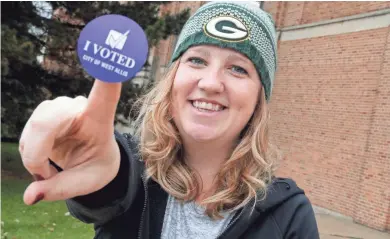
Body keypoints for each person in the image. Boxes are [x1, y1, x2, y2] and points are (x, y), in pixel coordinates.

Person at [19, 2, 320, 238]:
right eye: (197, 60)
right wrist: (96, 178)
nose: (211, 83)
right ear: (173, 79)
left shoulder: (288, 214)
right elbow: (111, 186)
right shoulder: (130, 172)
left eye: (239, 69)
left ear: (259, 98)